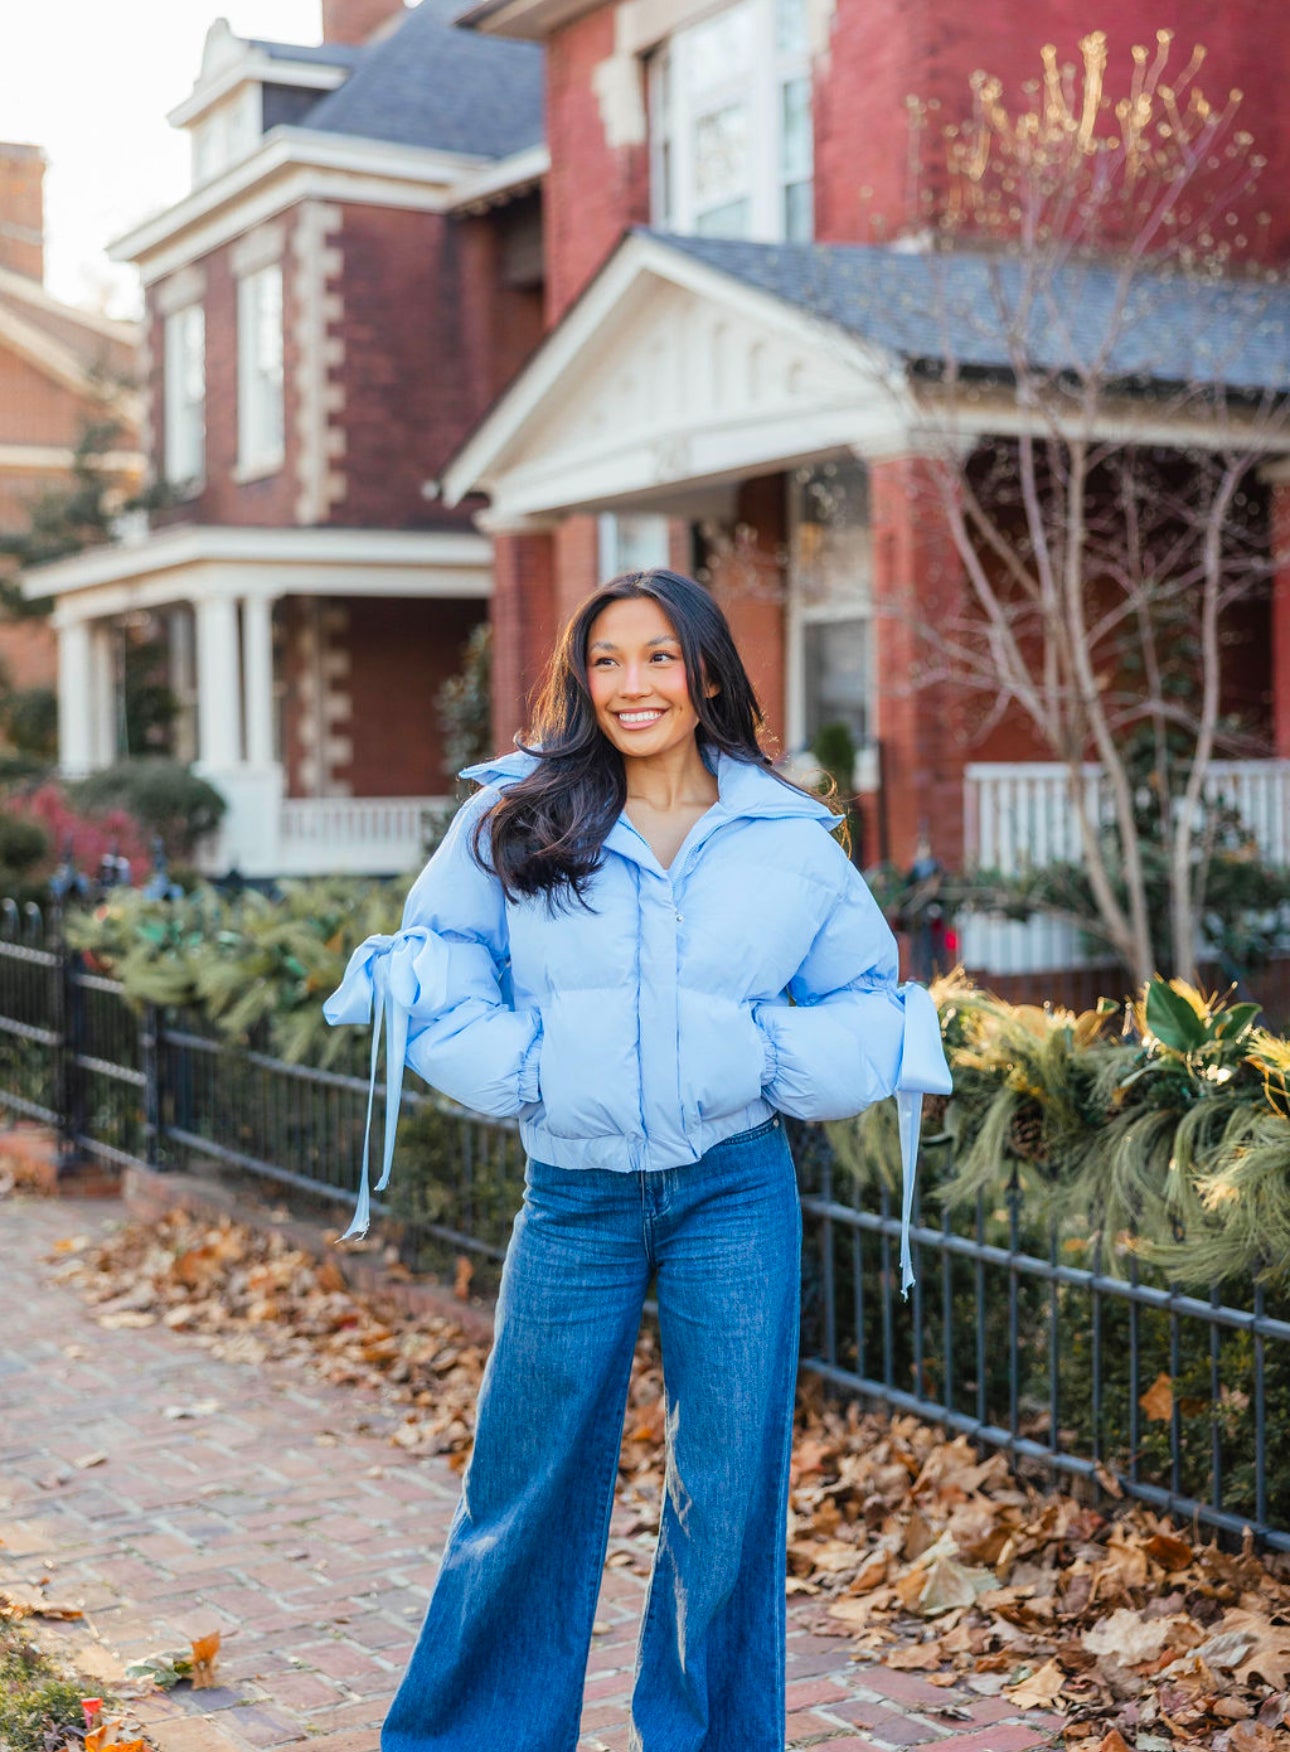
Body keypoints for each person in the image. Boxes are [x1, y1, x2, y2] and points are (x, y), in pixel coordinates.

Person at [324, 568, 951, 1752]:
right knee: (526, 1485)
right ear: (580, 676)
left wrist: (760, 1051)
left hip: (733, 1189)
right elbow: (439, 962)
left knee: (727, 1500)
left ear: (707, 670)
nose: (633, 684)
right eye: (608, 659)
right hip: (574, 1196)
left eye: (660, 656)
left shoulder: (786, 836)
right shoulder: (515, 813)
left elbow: (868, 1000)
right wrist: (533, 1076)